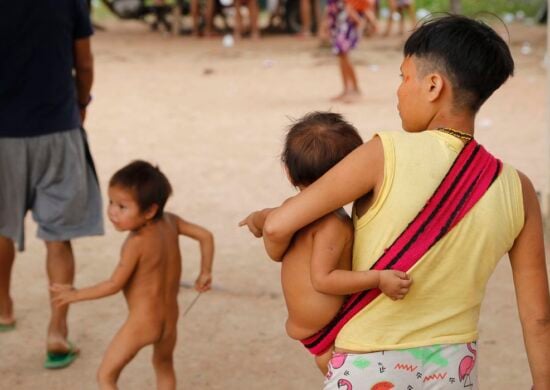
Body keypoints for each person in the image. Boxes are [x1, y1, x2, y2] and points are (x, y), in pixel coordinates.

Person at [251, 15, 550, 388]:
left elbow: (280, 225)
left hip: (368, 365)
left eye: (403, 77)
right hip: (454, 366)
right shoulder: (518, 188)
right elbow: (538, 316)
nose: (398, 91)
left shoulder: (383, 153)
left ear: (433, 86)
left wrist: (268, 233)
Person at [239, 112, 412, 375]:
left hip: (313, 326)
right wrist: (378, 279)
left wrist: (256, 218)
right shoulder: (332, 225)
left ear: (289, 172)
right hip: (328, 328)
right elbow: (323, 279)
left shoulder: (289, 211)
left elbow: (272, 238)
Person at [0, 0, 103, 369]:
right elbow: (85, 62)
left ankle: (3, 307)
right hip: (57, 128)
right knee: (58, 236)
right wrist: (81, 100)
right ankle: (57, 330)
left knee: (1, 227)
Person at [51, 161, 215, 389]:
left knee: (106, 376)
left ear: (149, 210)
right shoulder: (172, 222)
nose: (112, 212)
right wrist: (205, 271)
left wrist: (76, 294)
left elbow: (113, 284)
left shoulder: (136, 243)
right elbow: (205, 236)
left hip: (143, 322)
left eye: (122, 207)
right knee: (164, 365)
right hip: (170, 320)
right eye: (111, 202)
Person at [327, 0, 374, 102]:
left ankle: (355, 89)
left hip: (346, 21)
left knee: (343, 53)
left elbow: (355, 5)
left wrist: (360, 20)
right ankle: (347, 89)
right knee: (341, 55)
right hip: (339, 20)